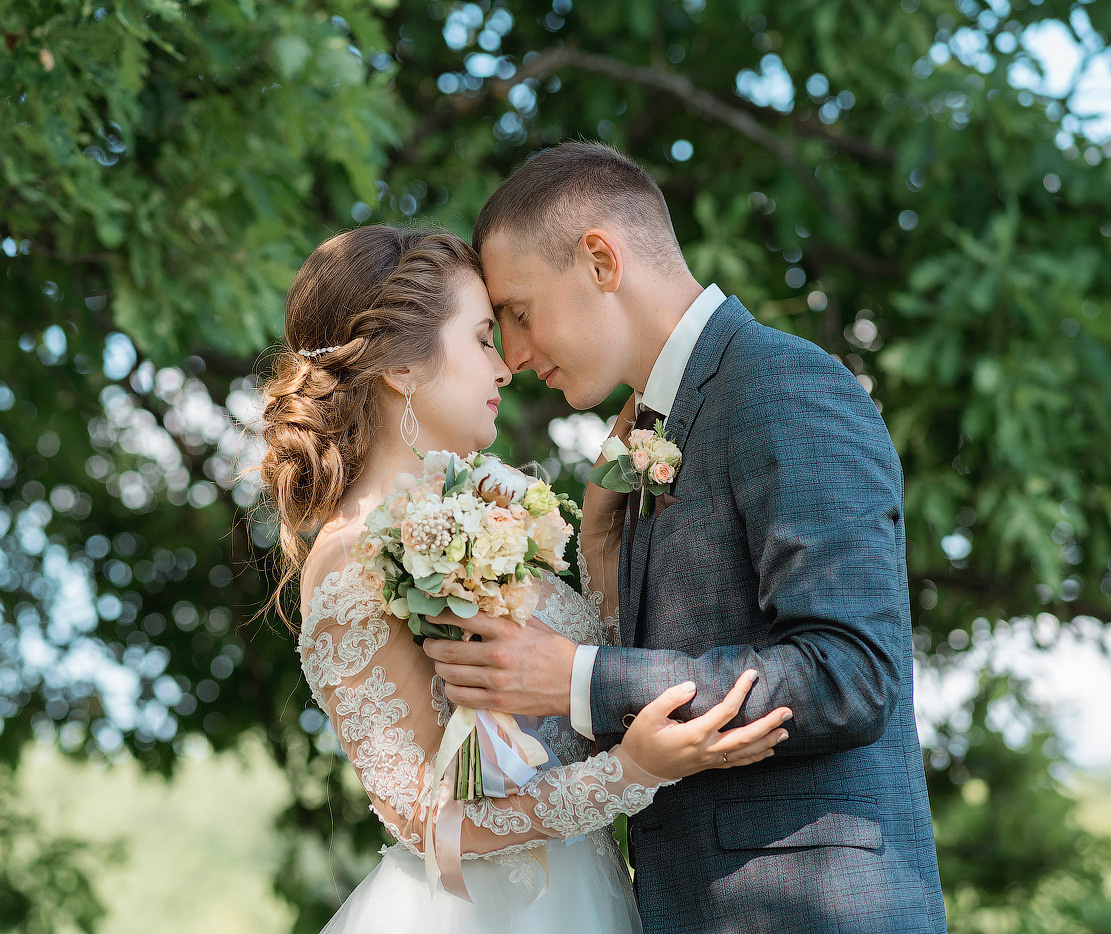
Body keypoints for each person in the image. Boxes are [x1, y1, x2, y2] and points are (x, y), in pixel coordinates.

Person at [424, 142, 948, 933]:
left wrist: (579, 679)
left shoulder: (782, 385)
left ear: (601, 260)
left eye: (520, 314)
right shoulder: (648, 435)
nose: (517, 356)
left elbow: (852, 672)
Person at [258, 224, 793, 933]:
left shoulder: (477, 511)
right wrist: (629, 773)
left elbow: (564, 689)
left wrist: (600, 538)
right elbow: (425, 819)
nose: (506, 366)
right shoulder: (352, 559)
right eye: (482, 338)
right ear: (402, 368)